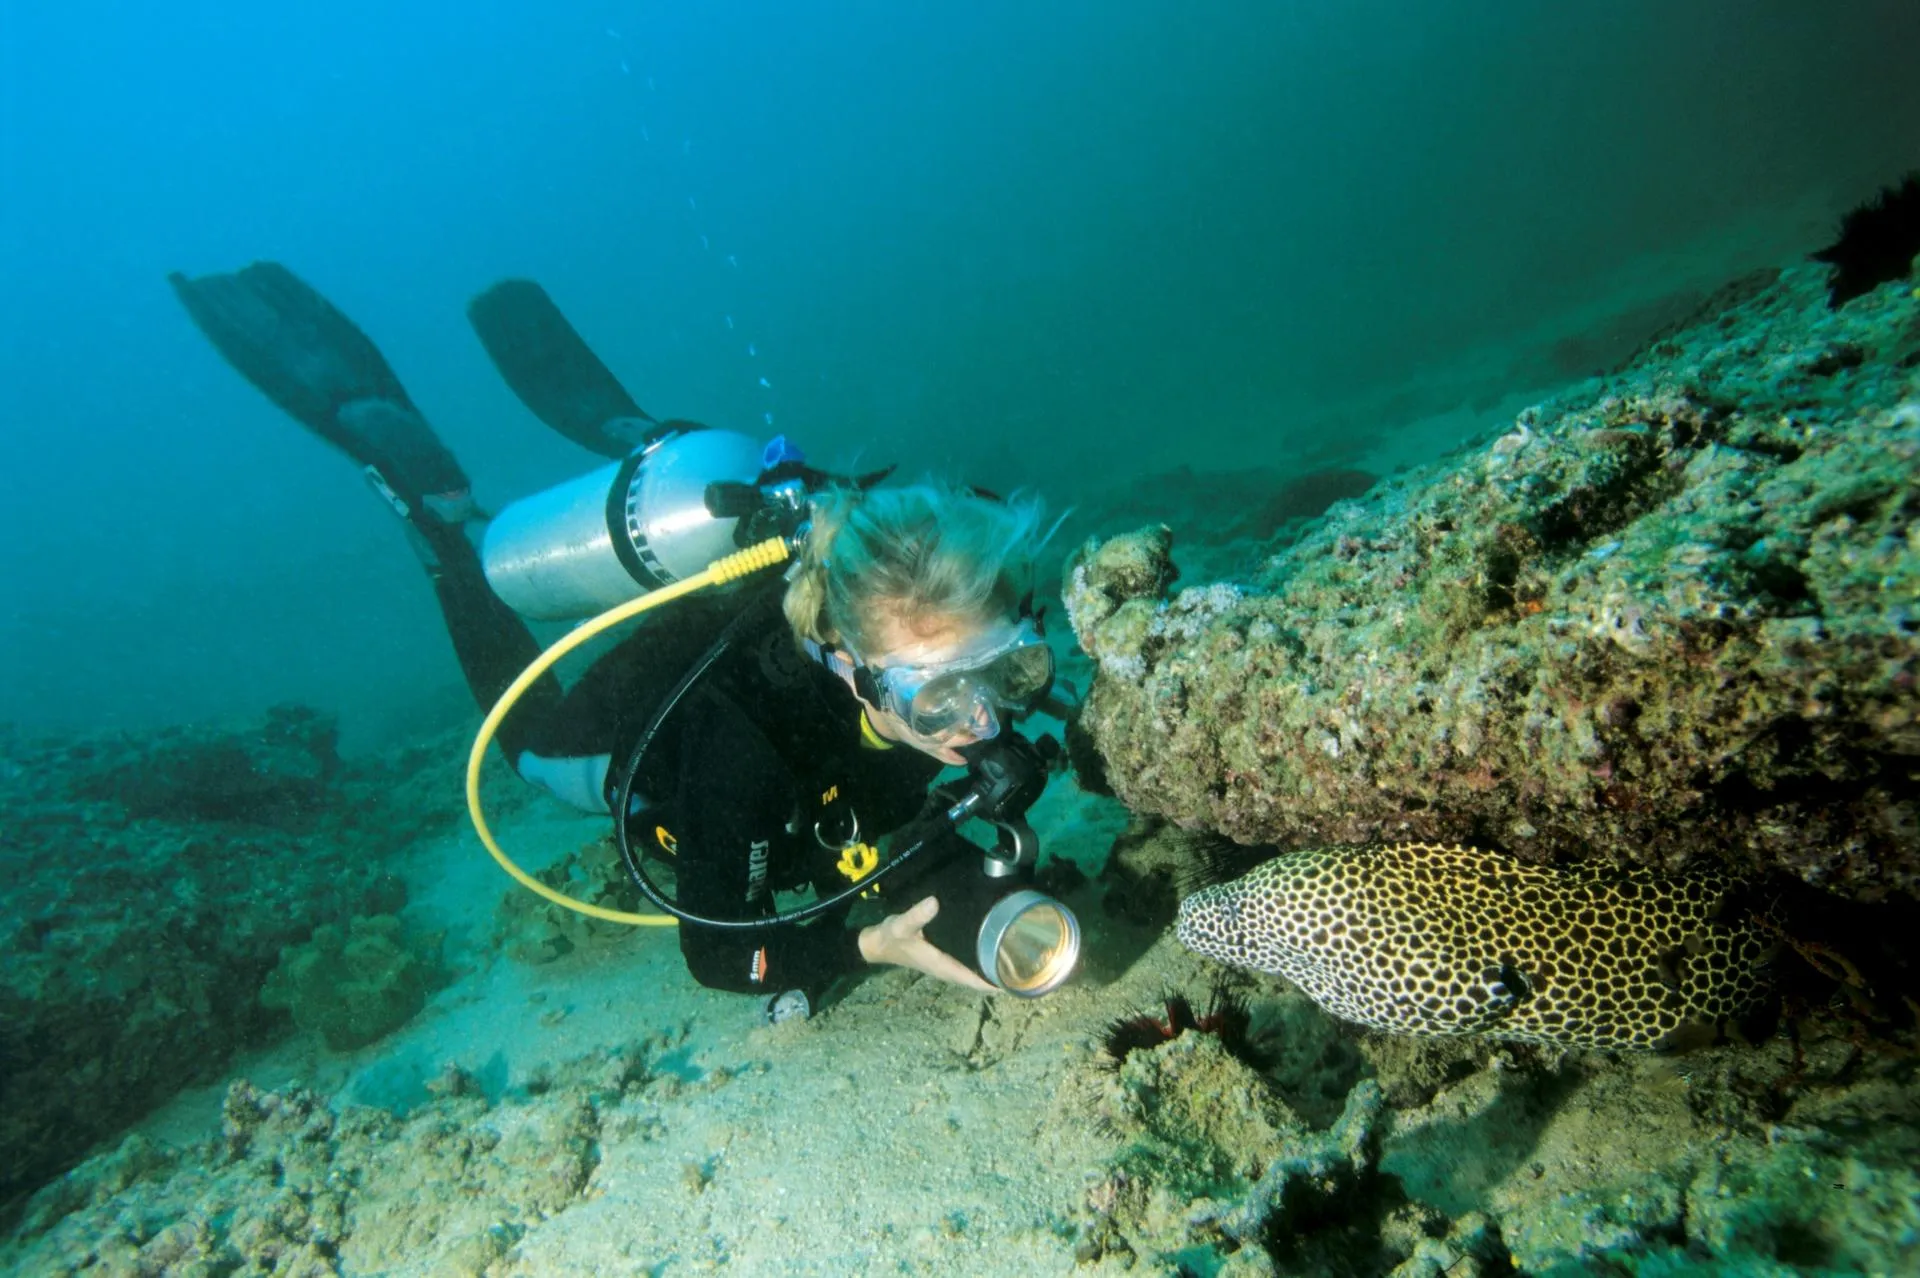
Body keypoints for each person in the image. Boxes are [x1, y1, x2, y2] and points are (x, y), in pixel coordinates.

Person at [169, 262, 1068, 1018]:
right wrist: (864, 946)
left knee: (750, 502)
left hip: (738, 604)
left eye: (1008, 669)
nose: (981, 720)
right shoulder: (741, 756)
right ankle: (441, 527)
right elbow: (719, 956)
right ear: (848, 663)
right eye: (941, 697)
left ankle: (651, 451)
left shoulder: (893, 614)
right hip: (621, 727)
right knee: (530, 747)